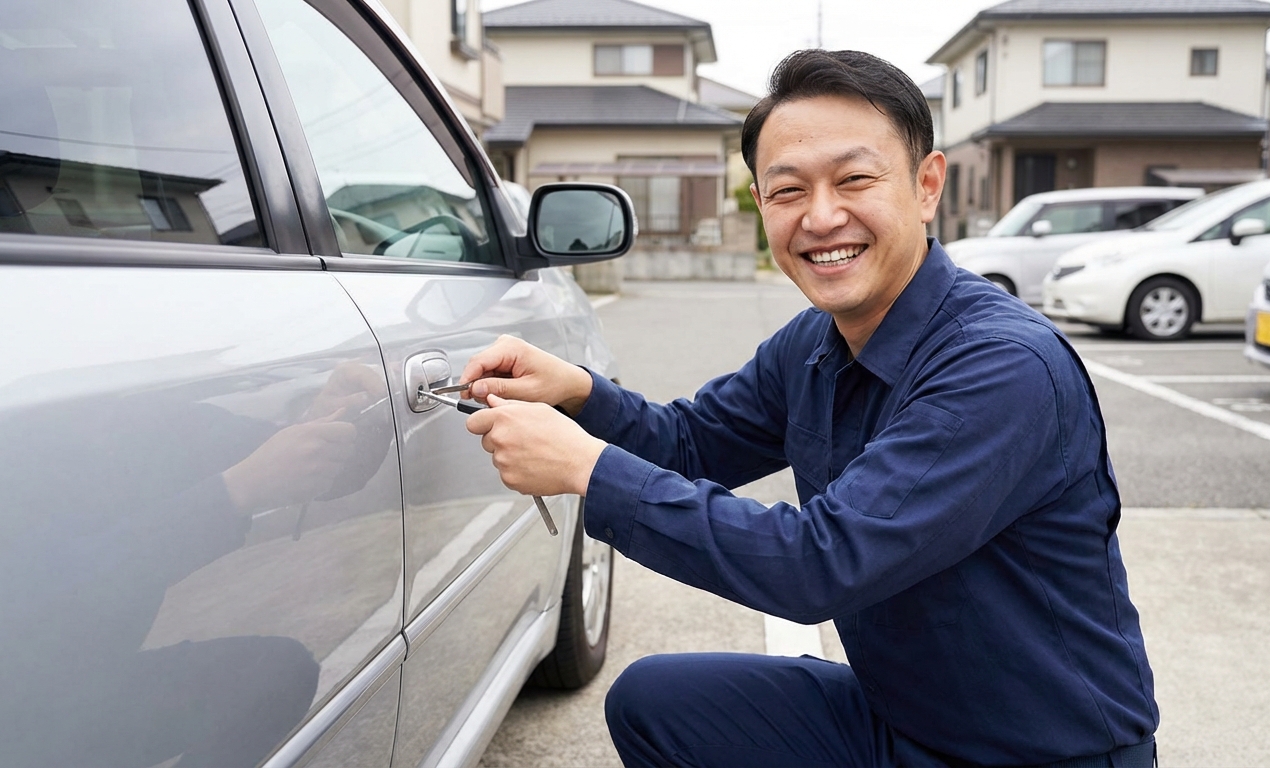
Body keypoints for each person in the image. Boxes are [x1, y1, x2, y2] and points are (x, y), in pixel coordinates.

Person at [460, 49, 1158, 768]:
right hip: (899, 718)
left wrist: (587, 468)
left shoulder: (1001, 365)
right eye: (788, 190)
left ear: (926, 186)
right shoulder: (815, 344)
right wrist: (578, 392)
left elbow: (821, 565)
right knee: (656, 705)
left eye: (854, 179)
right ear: (763, 206)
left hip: (1041, 752)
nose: (822, 217)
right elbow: (692, 444)